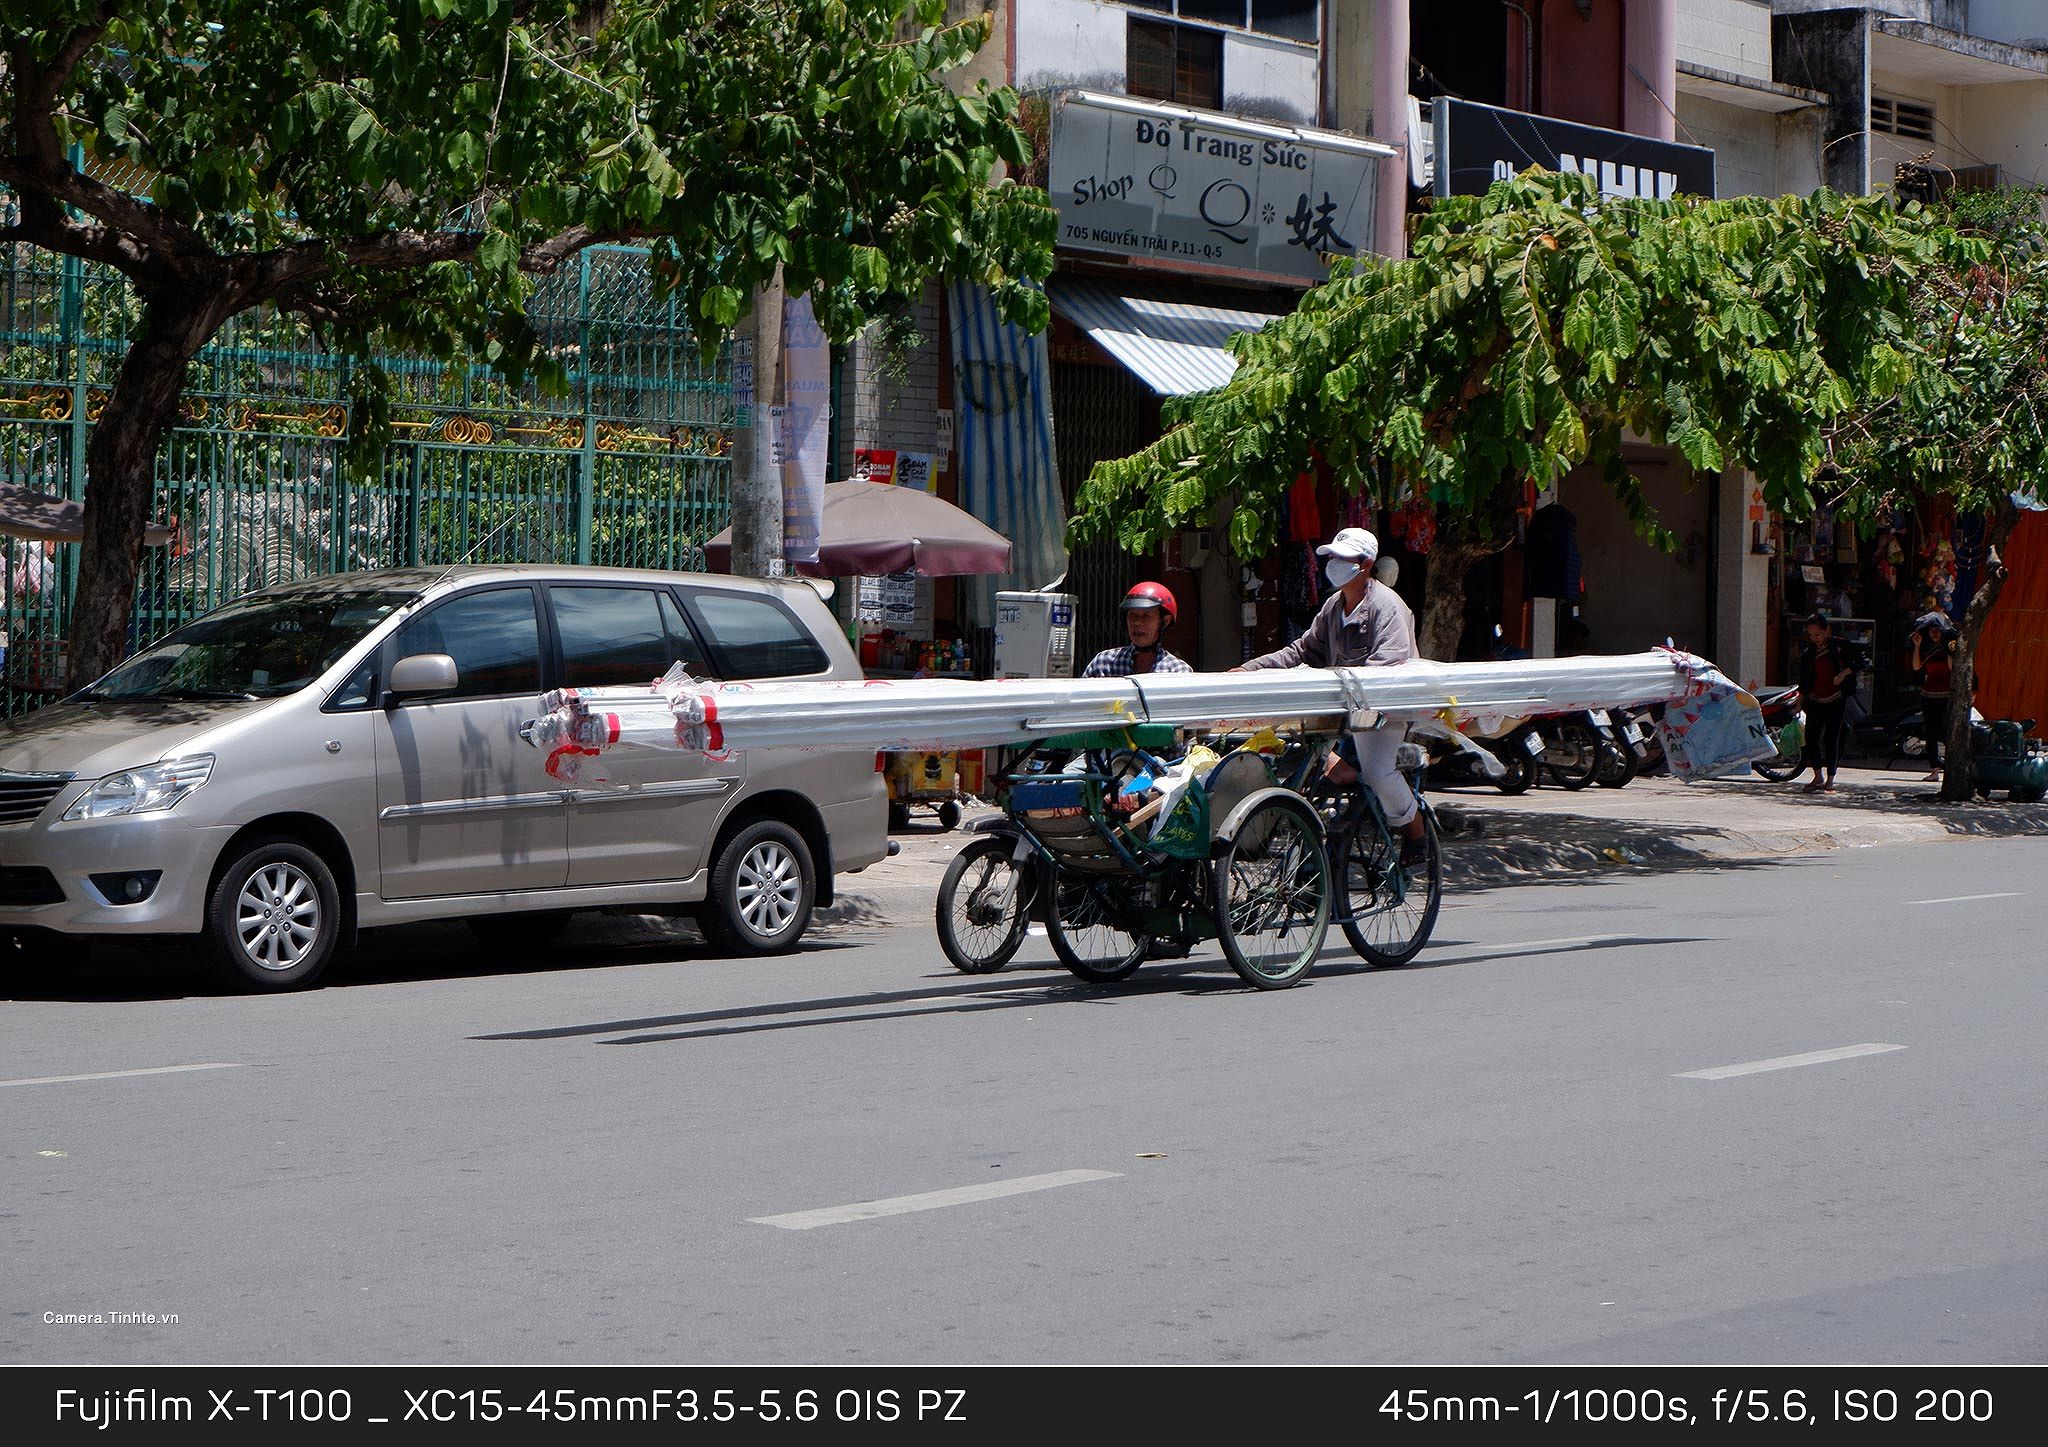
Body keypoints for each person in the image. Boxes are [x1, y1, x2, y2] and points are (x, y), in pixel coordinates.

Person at [1232, 526, 1428, 865]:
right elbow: (1302, 650)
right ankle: (1312, 861)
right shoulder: (1333, 606)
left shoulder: (1388, 608)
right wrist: (1251, 670)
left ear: (1365, 564)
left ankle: (1416, 831)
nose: (1335, 564)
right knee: (1299, 769)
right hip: (1341, 713)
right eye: (1333, 557)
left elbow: (1386, 672)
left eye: (1344, 559)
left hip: (1383, 714)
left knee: (1380, 772)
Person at [1797, 612, 1857, 793]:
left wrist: (1843, 674)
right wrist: (1799, 702)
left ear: (1826, 631)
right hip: (1815, 699)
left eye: (1818, 634)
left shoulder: (1839, 647)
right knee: (1811, 738)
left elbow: (1860, 661)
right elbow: (1804, 681)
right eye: (1812, 635)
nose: (1815, 639)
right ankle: (1817, 775)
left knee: (1831, 739)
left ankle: (1830, 778)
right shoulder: (1809, 652)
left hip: (1835, 699)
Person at [1083, 581, 1193, 677]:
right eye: (1132, 615)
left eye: (1146, 616)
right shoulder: (1103, 663)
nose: (1137, 622)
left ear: (1165, 621)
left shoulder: (1178, 672)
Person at [1909, 614, 1959, 781]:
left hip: (1946, 695)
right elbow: (1916, 667)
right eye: (1932, 631)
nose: (1934, 634)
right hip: (1929, 694)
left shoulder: (1948, 648)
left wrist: (1948, 649)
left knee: (1946, 732)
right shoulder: (1926, 648)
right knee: (1930, 733)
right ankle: (1934, 770)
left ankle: (1951, 768)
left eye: (1937, 630)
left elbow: (1952, 668)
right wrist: (1917, 646)